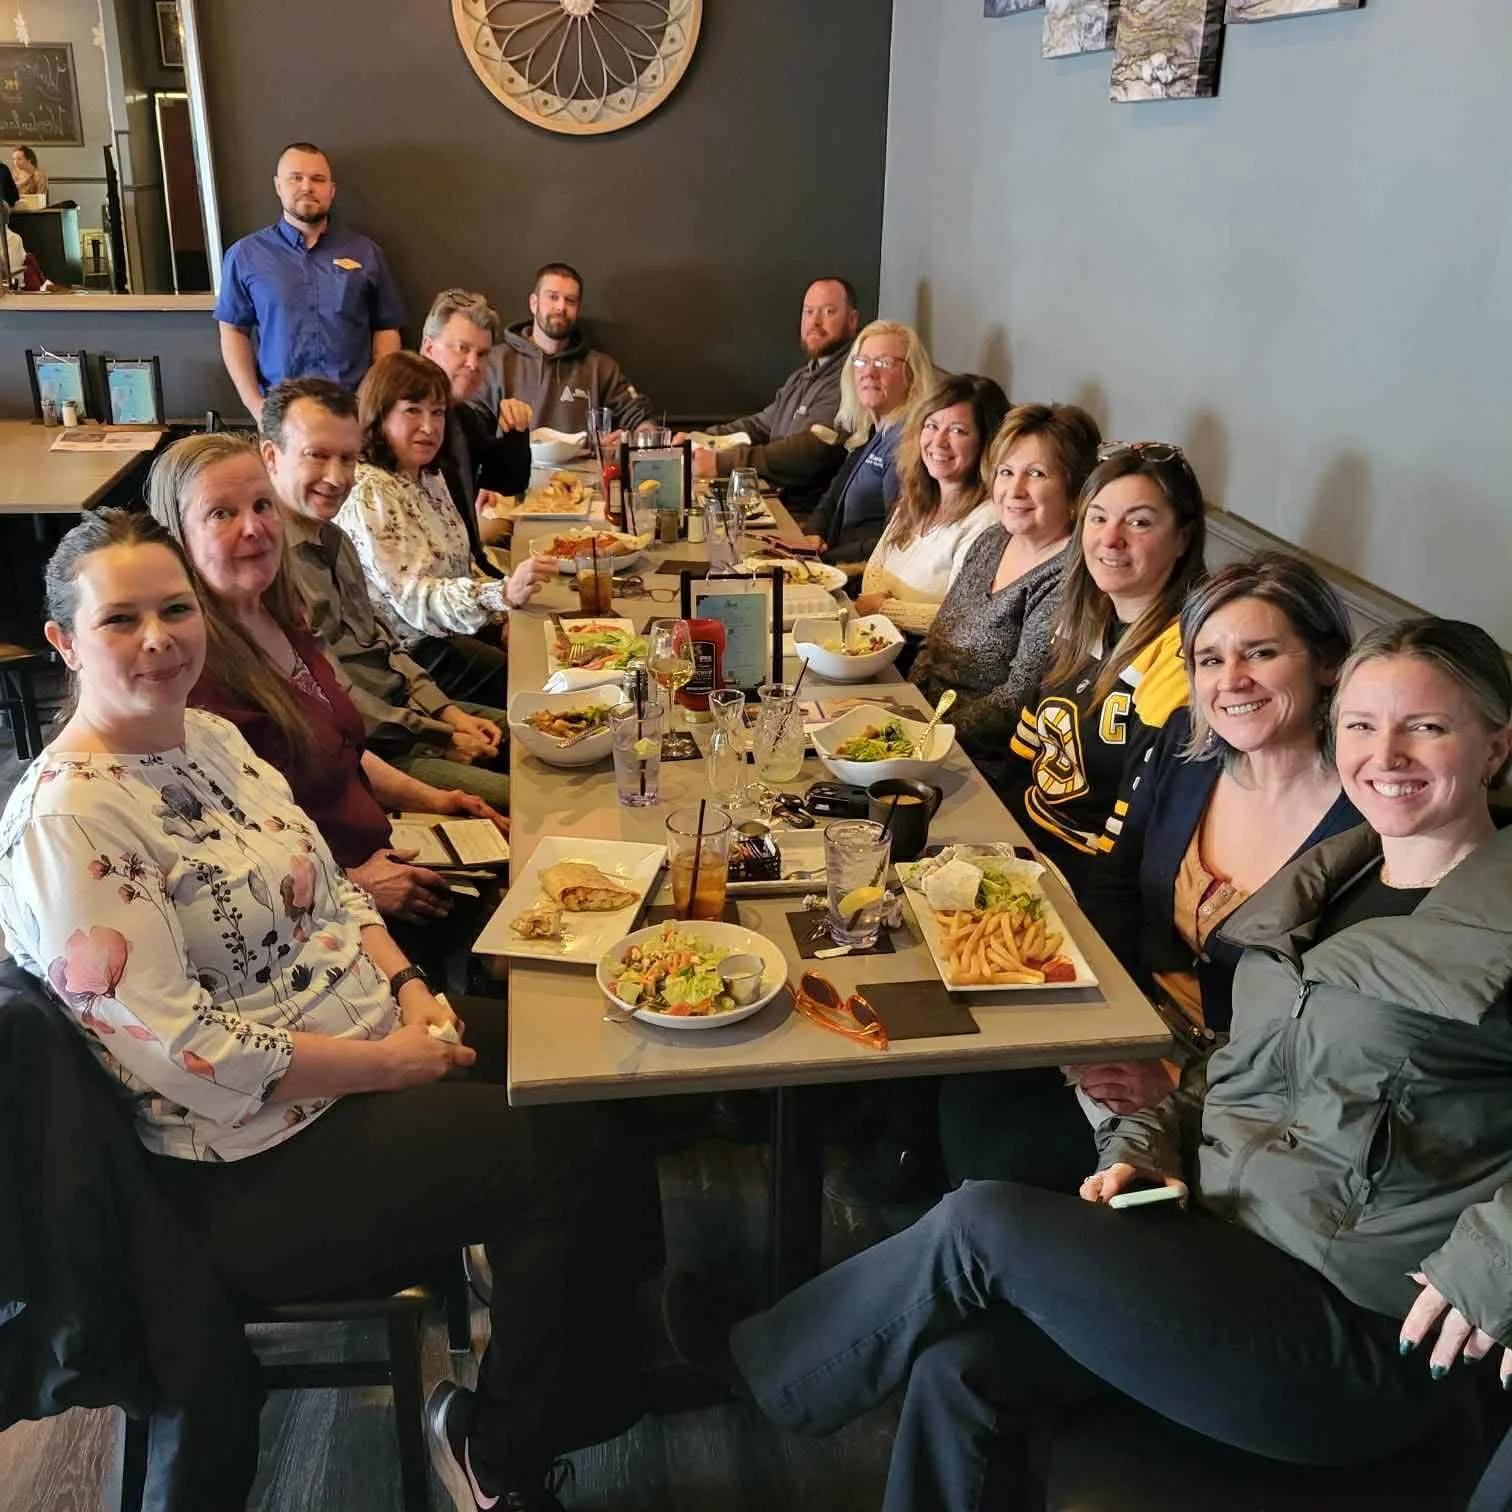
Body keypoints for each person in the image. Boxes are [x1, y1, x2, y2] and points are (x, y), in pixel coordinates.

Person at [678, 615, 1512, 1512]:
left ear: (1496, 745)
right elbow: (1238, 1074)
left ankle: (762, 1372)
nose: (1385, 754)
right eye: (1361, 725)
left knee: (983, 1222)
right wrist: (1144, 1146)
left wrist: (1498, 1256)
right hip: (1227, 1244)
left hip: (1358, 1334)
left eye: (1426, 726)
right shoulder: (1334, 880)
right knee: (961, 1370)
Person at [0, 507, 656, 1512]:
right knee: (562, 1156)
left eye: (175, 609)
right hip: (242, 1166)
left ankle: (596, 1343)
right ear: (64, 641)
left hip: (354, 1042)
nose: (159, 639)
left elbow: (335, 891)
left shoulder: (211, 738)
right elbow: (185, 1052)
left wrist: (410, 987)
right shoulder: (70, 820)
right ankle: (503, 1450)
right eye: (121, 620)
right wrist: (392, 1064)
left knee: (600, 1060)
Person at [942, 552, 1364, 1193]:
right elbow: (1116, 887)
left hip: (1238, 1087)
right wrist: (1107, 1032)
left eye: (1261, 653)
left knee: (1010, 1161)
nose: (1232, 680)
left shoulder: (1365, 824)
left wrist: (1176, 1078)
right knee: (966, 1084)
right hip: (1137, 1018)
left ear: (1328, 663)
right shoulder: (1185, 747)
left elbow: (1324, 1036)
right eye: (1210, 659)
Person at [146, 432, 506, 929]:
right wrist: (355, 884)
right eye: (221, 514)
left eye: (262, 505)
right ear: (177, 539)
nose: (253, 528)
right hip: (326, 915)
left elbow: (341, 752)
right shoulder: (192, 674)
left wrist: (436, 800)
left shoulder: (282, 616)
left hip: (385, 856)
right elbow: (225, 860)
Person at [260, 378, 512, 811]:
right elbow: (333, 697)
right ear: (271, 456)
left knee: (543, 736)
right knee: (524, 801)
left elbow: (384, 644)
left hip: (409, 715)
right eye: (317, 455)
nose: (336, 477)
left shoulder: (336, 539)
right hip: (379, 750)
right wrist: (440, 736)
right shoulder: (268, 566)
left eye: (347, 458)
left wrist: (447, 713)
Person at [1001, 440, 1207, 897]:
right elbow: (1023, 754)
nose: (1111, 539)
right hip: (1021, 847)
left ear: (1183, 538)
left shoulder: (1182, 657)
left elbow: (1127, 844)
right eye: (1098, 518)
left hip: (1079, 882)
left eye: (1139, 522)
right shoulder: (1086, 615)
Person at [340, 352, 555, 707]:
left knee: (555, 648)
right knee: (542, 685)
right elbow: (417, 600)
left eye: (438, 412)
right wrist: (501, 595)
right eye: (413, 410)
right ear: (379, 413)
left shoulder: (428, 474)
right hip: (413, 656)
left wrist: (498, 618)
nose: (429, 426)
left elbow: (459, 568)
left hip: (454, 630)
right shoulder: (370, 492)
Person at [910, 402, 1100, 787]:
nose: (1014, 490)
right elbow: (934, 643)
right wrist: (906, 706)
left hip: (982, 770)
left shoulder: (1070, 576)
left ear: (1075, 488)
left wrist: (921, 737)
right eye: (1006, 472)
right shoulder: (993, 538)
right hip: (924, 735)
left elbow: (1015, 704)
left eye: (1036, 473)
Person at [214, 142, 405, 418]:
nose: (307, 187)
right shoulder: (245, 255)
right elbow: (233, 330)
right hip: (282, 414)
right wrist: (255, 405)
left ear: (331, 190)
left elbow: (386, 329)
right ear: (278, 186)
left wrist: (374, 402)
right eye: (296, 178)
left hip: (352, 412)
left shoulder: (366, 252)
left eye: (318, 179)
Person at [853, 374, 1009, 645]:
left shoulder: (987, 519)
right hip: (876, 638)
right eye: (931, 425)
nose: (938, 441)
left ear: (987, 442)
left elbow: (960, 619)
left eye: (958, 431)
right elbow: (876, 567)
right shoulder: (917, 496)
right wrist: (875, 606)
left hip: (921, 656)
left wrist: (885, 609)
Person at [679, 276, 860, 497]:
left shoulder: (852, 379)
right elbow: (760, 425)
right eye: (808, 311)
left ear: (852, 320)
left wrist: (721, 463)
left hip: (802, 511)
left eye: (828, 312)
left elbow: (808, 451)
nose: (815, 321)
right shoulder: (802, 377)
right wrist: (698, 440)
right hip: (775, 500)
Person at [798, 320, 934, 572]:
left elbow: (896, 539)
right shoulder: (872, 431)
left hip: (860, 574)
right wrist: (813, 534)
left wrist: (825, 559)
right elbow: (831, 498)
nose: (869, 372)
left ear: (912, 375)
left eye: (884, 363)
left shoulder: (906, 442)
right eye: (861, 361)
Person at [419, 287, 533, 569]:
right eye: (462, 348)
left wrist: (516, 433)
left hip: (467, 571)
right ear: (428, 348)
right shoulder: (400, 426)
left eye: (482, 354)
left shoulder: (462, 416)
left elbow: (508, 482)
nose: (473, 364)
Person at [475, 261, 654, 435]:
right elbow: (470, 426)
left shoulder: (602, 369)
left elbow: (640, 420)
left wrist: (639, 437)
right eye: (553, 297)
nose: (561, 307)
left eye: (570, 301)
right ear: (534, 303)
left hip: (585, 457)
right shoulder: (494, 362)